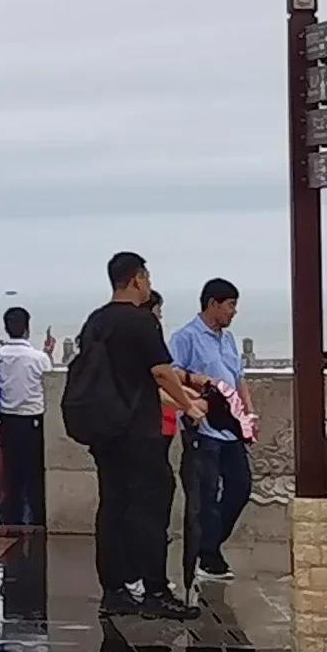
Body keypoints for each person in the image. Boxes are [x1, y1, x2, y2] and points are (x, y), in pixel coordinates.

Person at [77, 251, 204, 621]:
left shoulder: (95, 322)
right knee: (152, 505)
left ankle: (114, 590)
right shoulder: (141, 322)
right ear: (136, 279)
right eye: (146, 278)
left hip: (104, 429)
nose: (148, 284)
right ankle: (155, 590)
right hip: (138, 429)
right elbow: (162, 373)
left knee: (112, 506)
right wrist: (189, 405)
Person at [170, 278, 253, 582]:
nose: (233, 312)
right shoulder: (186, 337)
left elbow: (238, 377)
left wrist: (248, 412)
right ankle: (209, 557)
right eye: (230, 305)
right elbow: (172, 375)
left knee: (240, 486)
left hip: (231, 427)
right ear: (213, 304)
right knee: (205, 494)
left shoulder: (228, 340)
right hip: (203, 428)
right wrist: (196, 387)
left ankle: (210, 545)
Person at [0, 306, 51, 528]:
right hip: (33, 420)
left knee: (11, 474)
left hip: (7, 421)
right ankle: (36, 521)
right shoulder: (39, 358)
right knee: (34, 474)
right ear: (27, 327)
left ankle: (11, 521)